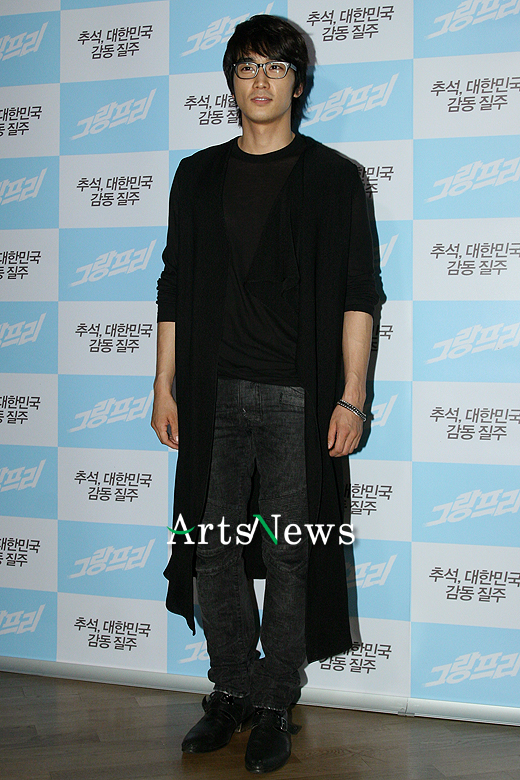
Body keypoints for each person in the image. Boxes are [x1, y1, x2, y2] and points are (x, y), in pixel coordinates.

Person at [152, 14, 378, 774]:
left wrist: (351, 396)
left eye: (276, 68)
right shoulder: (197, 176)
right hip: (209, 395)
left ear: (299, 84)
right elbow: (174, 286)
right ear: (230, 80)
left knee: (289, 553)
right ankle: (234, 688)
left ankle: (276, 699)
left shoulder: (334, 177)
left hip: (297, 400)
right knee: (209, 546)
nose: (261, 80)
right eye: (247, 66)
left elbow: (358, 295)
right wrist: (164, 384)